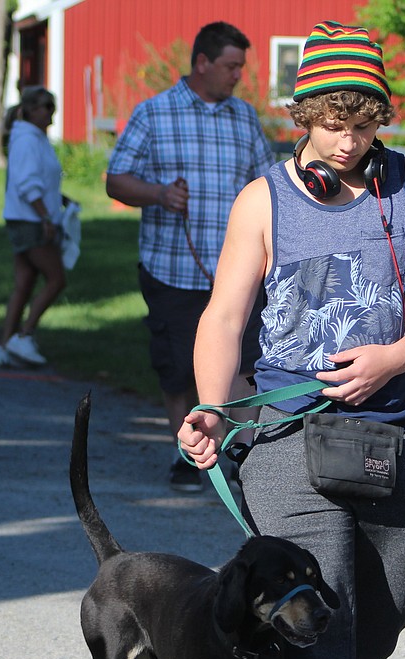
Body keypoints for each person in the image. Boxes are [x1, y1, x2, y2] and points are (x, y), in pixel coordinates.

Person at [177, 21, 405, 659]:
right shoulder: (262, 200)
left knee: (389, 596)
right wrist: (213, 404)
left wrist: (395, 358)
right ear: (304, 115)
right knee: (326, 585)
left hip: (399, 431)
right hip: (287, 432)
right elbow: (222, 317)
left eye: (364, 124)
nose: (347, 143)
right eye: (333, 124)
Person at [106, 21, 274, 492]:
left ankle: (242, 456)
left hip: (239, 272)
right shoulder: (153, 113)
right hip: (173, 268)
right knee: (179, 367)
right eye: (230, 65)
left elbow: (270, 186)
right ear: (202, 63)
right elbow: (116, 179)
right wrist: (159, 193)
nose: (238, 75)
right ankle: (188, 454)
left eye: (241, 66)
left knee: (246, 364)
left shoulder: (244, 117)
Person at [0, 86, 66, 368]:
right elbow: (27, 184)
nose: (51, 113)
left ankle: (4, 345)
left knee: (23, 284)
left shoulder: (33, 138)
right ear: (31, 110)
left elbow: (40, 180)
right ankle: (24, 336)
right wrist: (46, 217)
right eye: (46, 106)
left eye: (53, 107)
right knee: (56, 279)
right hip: (31, 221)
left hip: (27, 217)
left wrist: (59, 201)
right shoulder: (27, 140)